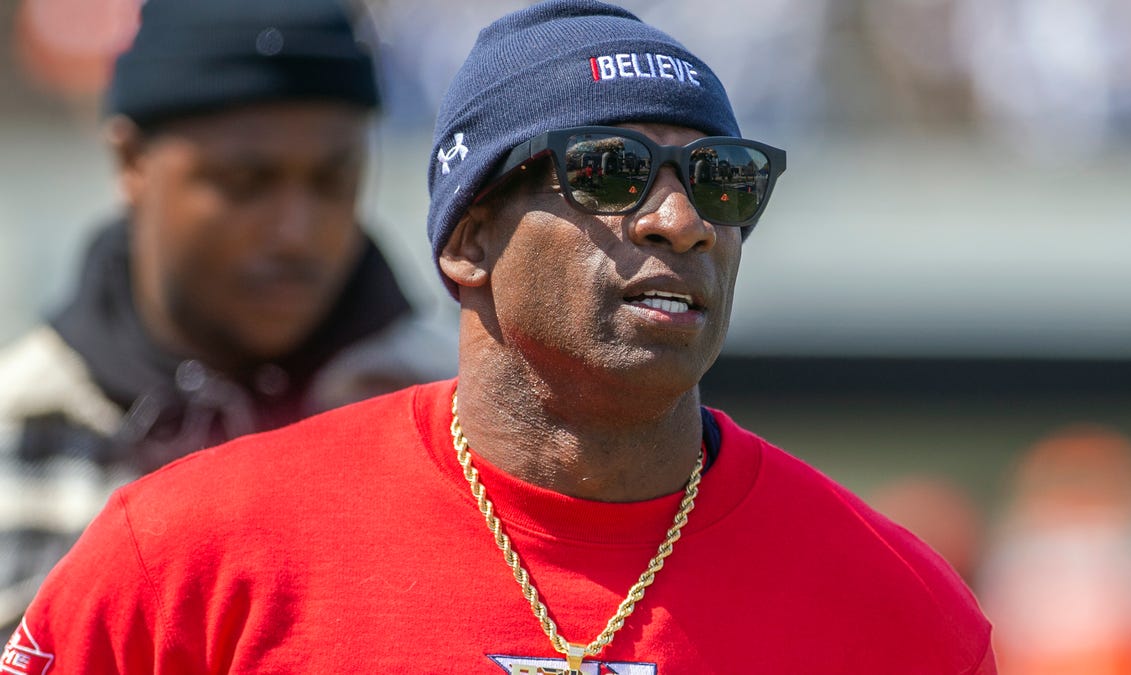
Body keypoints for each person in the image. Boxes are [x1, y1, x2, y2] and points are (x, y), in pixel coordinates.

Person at [5, 1, 994, 672]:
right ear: (469, 239)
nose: (679, 221)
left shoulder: (901, 609)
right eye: (608, 171)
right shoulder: (185, 555)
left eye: (721, 181)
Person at [0, 0, 454, 634]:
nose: (295, 232)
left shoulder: (454, 418)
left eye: (331, 180)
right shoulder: (21, 429)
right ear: (132, 162)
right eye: (244, 182)